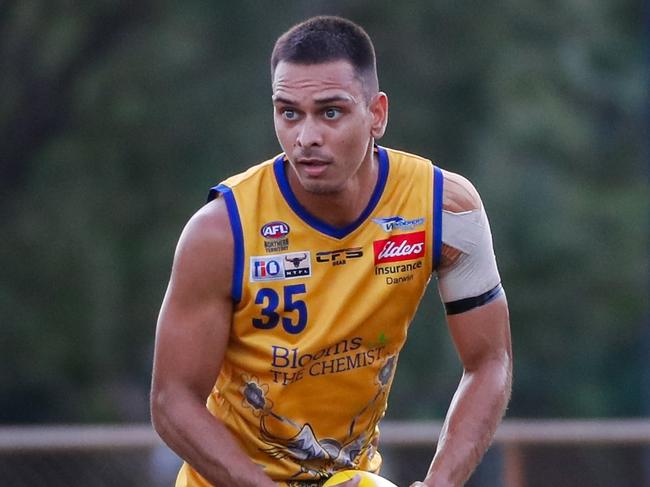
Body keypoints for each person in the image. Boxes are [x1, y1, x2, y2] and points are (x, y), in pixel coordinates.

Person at [150, 15, 512, 487]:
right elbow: (171, 400)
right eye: (289, 112)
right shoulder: (220, 231)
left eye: (331, 112)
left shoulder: (446, 209)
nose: (307, 137)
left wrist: (440, 483)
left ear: (377, 114)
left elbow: (490, 361)